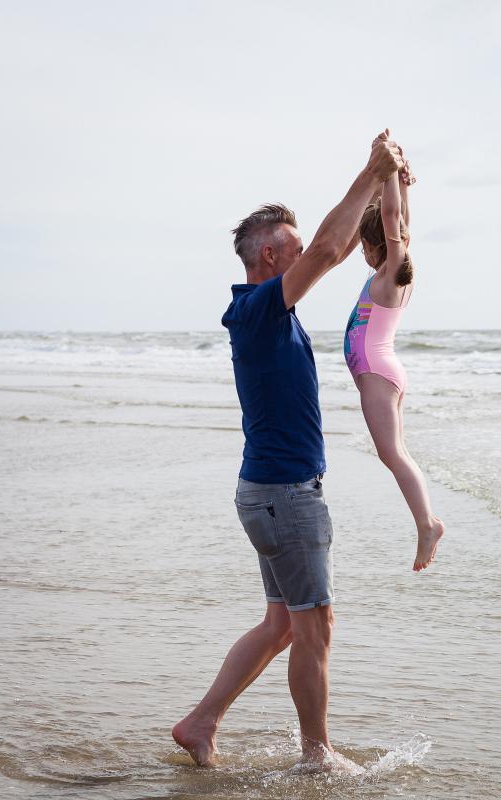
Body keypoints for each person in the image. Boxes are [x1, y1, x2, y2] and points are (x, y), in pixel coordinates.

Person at [171, 131, 404, 768]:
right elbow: (330, 248)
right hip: (285, 496)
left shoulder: (268, 309)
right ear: (272, 254)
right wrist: (369, 167)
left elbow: (342, 241)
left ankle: (200, 722)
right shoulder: (257, 311)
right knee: (314, 627)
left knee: (282, 624)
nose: (312, 260)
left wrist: (391, 184)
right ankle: (317, 753)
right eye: (296, 250)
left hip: (273, 493)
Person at [344, 138, 445, 572]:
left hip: (378, 374)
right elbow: (402, 221)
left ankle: (426, 524)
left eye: (366, 249)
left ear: (373, 248)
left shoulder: (388, 273)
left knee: (392, 455)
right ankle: (425, 522)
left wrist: (387, 175)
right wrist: (402, 180)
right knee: (395, 450)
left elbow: (392, 221)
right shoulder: (395, 270)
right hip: (383, 372)